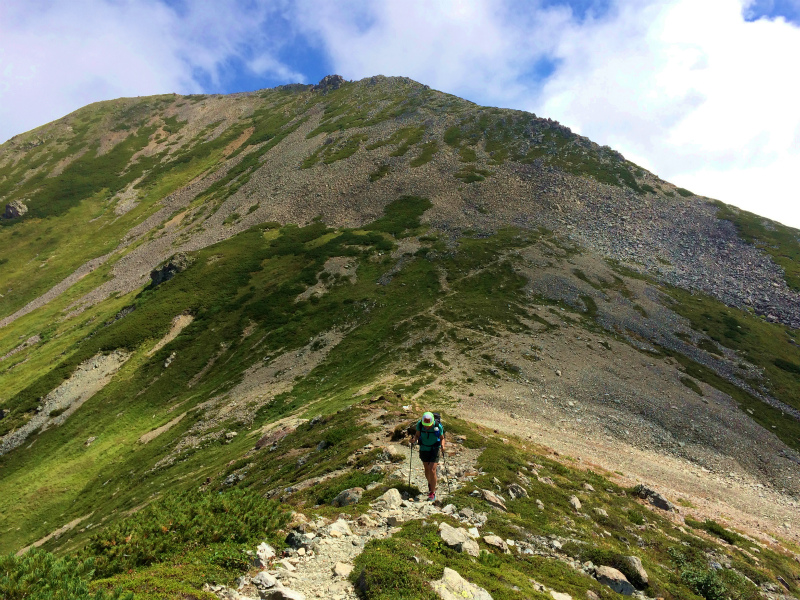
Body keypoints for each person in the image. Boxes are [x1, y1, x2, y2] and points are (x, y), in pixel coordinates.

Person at [412, 411, 445, 501]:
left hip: (435, 448)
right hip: (424, 448)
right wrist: (414, 440)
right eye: (425, 425)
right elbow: (417, 435)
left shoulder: (438, 426)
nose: (427, 426)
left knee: (432, 469)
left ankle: (432, 492)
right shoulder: (420, 424)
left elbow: (442, 438)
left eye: (429, 425)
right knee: (426, 468)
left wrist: (443, 446)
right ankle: (430, 483)